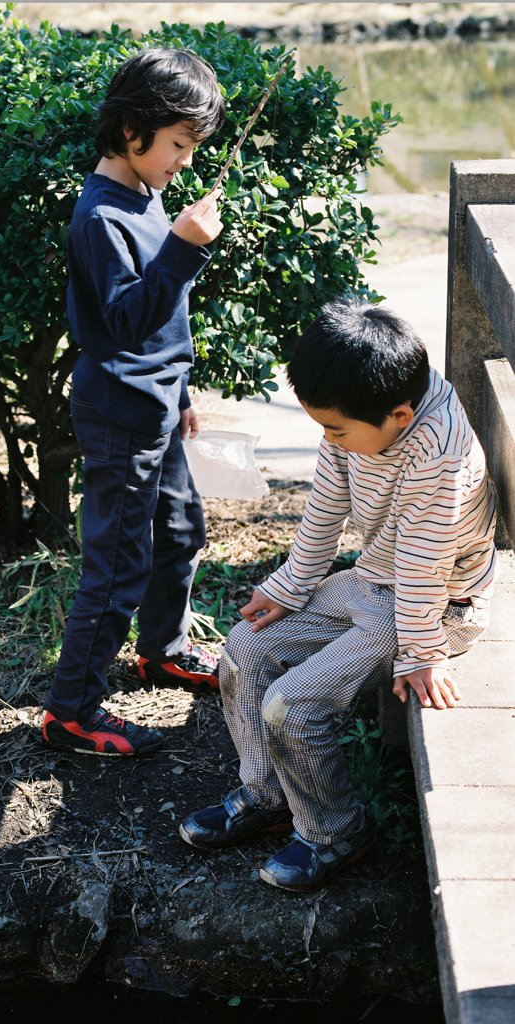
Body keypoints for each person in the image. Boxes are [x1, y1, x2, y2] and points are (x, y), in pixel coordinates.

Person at [179, 299, 497, 889]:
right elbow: (326, 505)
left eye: (335, 430)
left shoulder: (439, 454)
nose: (329, 439)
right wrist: (291, 586)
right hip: (373, 580)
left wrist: (422, 651)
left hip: (437, 605)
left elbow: (428, 563)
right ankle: (269, 795)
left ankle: (336, 830)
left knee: (293, 703)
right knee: (243, 650)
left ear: (400, 415)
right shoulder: (360, 409)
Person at [41, 49, 227, 757]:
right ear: (131, 133)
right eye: (179, 144)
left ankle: (163, 648)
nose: (185, 160)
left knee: (180, 531)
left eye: (193, 147)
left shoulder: (146, 195)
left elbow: (163, 321)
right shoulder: (100, 217)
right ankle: (71, 710)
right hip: (119, 413)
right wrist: (182, 248)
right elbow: (124, 321)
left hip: (157, 404)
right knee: (118, 562)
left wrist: (179, 389)